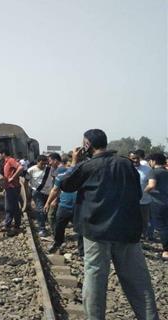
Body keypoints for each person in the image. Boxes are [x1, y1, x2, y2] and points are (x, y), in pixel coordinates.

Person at [61, 129, 158, 320]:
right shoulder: (126, 164)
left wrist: (74, 161)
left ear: (87, 145)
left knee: (95, 281)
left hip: (96, 232)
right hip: (127, 232)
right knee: (139, 282)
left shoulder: (87, 166)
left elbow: (66, 184)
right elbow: (137, 194)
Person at [45, 165, 84, 256]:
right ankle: (57, 243)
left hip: (77, 207)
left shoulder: (69, 177)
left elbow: (55, 190)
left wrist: (48, 202)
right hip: (64, 206)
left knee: (80, 229)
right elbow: (56, 191)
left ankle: (81, 250)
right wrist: (50, 202)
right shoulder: (61, 179)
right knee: (59, 226)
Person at [144, 153, 168, 260]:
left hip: (158, 203)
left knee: (162, 227)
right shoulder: (166, 172)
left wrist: (144, 192)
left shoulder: (153, 172)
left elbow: (152, 185)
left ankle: (166, 251)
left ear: (154, 161)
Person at [26, 155, 53, 236]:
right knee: (40, 209)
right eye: (42, 164)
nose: (43, 166)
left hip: (48, 192)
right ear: (37, 162)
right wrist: (27, 193)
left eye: (45, 164)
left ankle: (45, 222)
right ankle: (42, 229)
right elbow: (26, 182)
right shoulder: (30, 170)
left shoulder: (50, 169)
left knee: (47, 209)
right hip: (37, 192)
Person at [0, 148, 23, 231]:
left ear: (3, 153)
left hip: (13, 187)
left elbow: (20, 168)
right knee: (12, 207)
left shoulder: (10, 160)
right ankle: (11, 225)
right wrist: (5, 187)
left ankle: (12, 225)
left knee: (11, 207)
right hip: (9, 187)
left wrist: (12, 177)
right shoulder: (6, 162)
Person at [129, 151, 153, 240]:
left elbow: (151, 184)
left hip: (144, 201)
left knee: (144, 222)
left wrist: (145, 192)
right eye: (133, 158)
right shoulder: (126, 169)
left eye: (137, 158)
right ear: (129, 159)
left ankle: (145, 237)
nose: (135, 160)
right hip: (130, 201)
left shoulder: (147, 170)